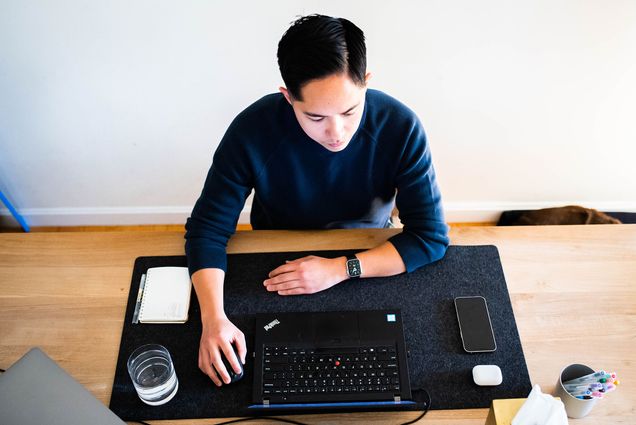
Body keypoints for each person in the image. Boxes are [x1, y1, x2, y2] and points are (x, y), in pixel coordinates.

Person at [185, 14, 449, 387]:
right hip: (277, 251)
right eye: (315, 116)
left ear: (366, 83)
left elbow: (431, 237)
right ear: (288, 97)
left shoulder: (401, 126)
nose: (336, 133)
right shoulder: (252, 130)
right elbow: (207, 230)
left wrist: (341, 268)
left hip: (369, 250)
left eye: (349, 111)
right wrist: (212, 319)